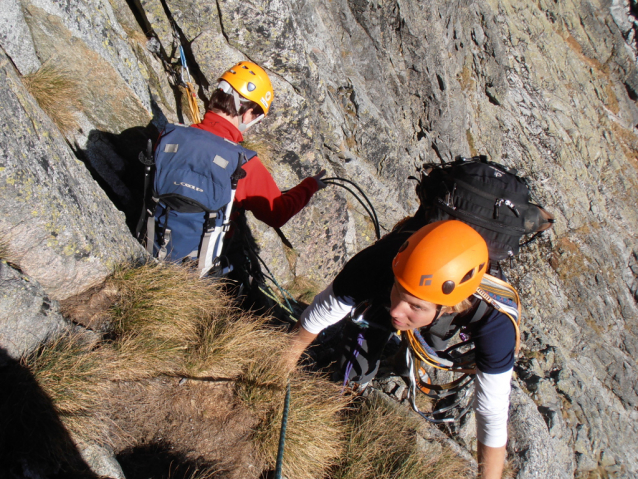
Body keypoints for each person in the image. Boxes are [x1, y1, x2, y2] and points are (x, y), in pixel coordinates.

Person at [286, 219, 516, 479]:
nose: (396, 310)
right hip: (388, 280)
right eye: (399, 291)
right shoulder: (381, 262)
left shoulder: (496, 322)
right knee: (368, 334)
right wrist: (283, 364)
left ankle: (403, 361)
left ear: (451, 308)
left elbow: (492, 413)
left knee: (429, 346)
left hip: (443, 314)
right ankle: (353, 384)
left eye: (415, 306)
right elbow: (322, 311)